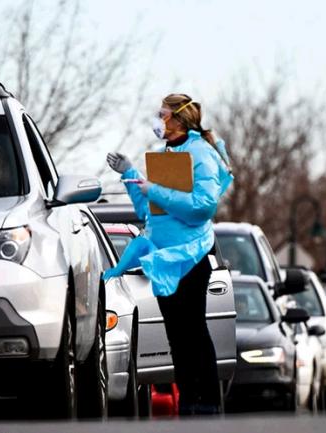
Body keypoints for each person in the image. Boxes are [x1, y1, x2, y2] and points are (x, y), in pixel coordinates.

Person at [105, 93, 233, 415]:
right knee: (177, 336)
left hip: (190, 258)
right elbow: (149, 211)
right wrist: (130, 176)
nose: (158, 119)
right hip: (163, 257)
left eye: (162, 113)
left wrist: (155, 189)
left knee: (193, 331)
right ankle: (190, 401)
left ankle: (207, 403)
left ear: (177, 119)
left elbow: (202, 208)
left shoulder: (200, 153)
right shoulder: (167, 155)